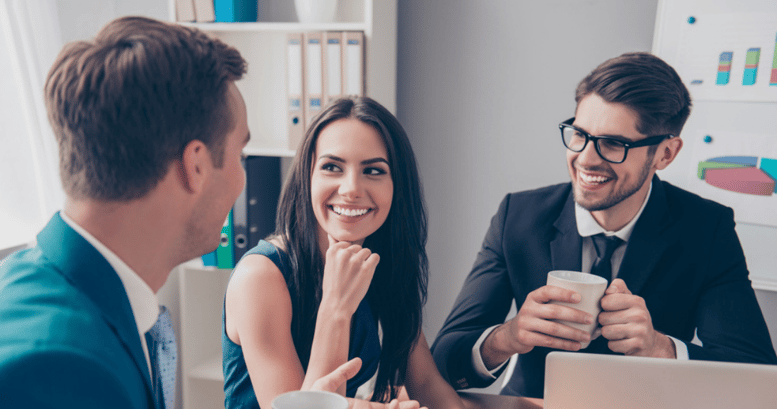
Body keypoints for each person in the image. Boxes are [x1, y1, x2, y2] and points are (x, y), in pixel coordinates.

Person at [0, 16, 358, 409]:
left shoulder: (62, 291)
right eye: (240, 155)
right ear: (197, 166)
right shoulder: (58, 369)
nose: (243, 179)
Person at [430, 52, 777, 399]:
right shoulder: (518, 216)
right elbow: (442, 363)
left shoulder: (706, 229)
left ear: (665, 154)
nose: (586, 158)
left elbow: (757, 375)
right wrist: (508, 337)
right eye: (579, 134)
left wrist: (661, 349)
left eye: (614, 143)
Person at [223, 96, 466, 409]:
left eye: (374, 171)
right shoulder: (260, 277)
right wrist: (336, 306)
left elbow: (426, 383)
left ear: (397, 186)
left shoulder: (378, 262)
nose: (351, 188)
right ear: (307, 176)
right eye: (331, 167)